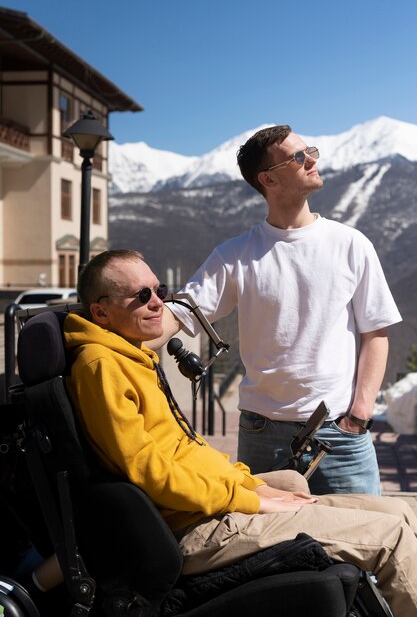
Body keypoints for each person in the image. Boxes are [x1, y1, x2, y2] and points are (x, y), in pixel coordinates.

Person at [63, 249, 417, 616]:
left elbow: (186, 449)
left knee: (401, 512)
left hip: (207, 509)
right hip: (195, 528)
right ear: (100, 312)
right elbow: (150, 472)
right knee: (391, 539)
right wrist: (250, 500)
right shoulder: (101, 366)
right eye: (141, 296)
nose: (158, 304)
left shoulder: (130, 357)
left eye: (159, 290)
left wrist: (250, 485)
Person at [153, 124, 402, 496]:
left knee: (366, 544)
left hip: (341, 435)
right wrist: (116, 338)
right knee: (273, 550)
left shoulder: (351, 244)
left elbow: (376, 334)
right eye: (298, 156)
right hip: (261, 436)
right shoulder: (234, 255)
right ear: (268, 178)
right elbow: (179, 314)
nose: (312, 160)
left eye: (310, 151)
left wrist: (360, 415)